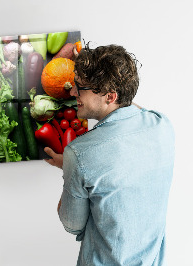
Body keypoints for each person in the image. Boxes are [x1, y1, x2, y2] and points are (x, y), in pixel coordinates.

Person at [44, 44, 175, 265]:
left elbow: (72, 224)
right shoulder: (162, 125)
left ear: (110, 96)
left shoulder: (79, 153)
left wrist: (70, 169)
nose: (74, 92)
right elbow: (130, 108)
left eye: (81, 87)